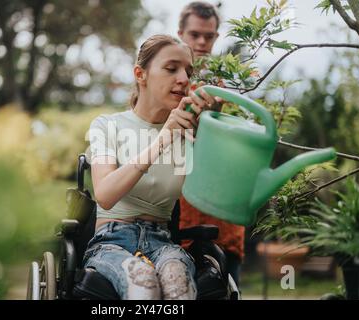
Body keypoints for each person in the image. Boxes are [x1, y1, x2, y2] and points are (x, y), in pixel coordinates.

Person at [84, 34, 216, 300]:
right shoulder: (107, 125)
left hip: (163, 242)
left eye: (188, 71)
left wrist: (214, 128)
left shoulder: (189, 132)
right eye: (171, 69)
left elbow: (218, 195)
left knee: (178, 284)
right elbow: (106, 195)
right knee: (142, 282)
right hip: (112, 241)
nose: (183, 78)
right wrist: (163, 137)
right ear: (140, 74)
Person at [177, 1, 245, 286]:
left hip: (222, 210)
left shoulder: (231, 83)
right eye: (195, 35)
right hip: (181, 210)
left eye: (210, 35)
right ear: (180, 33)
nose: (203, 42)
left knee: (227, 285)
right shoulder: (168, 79)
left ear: (217, 36)